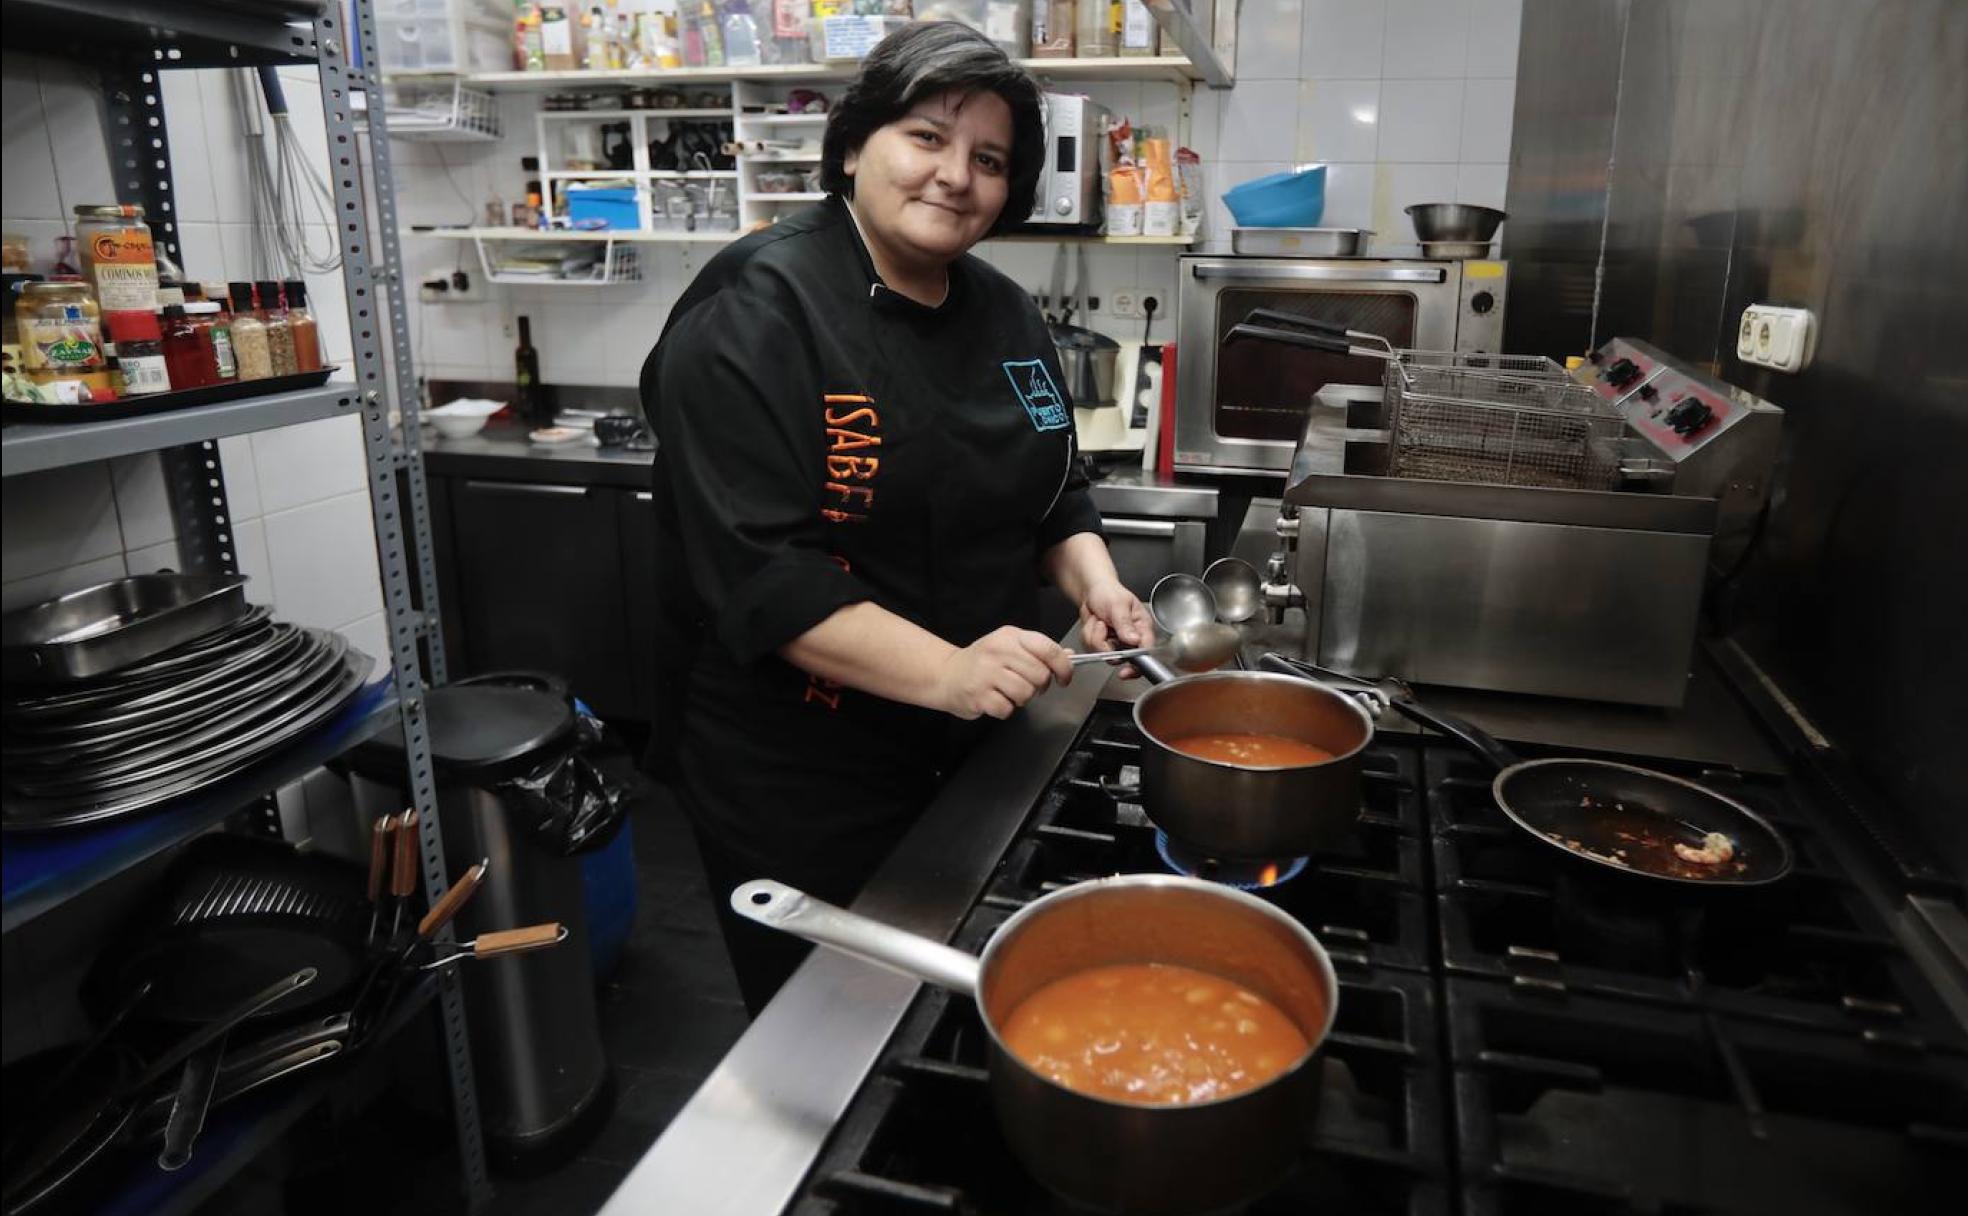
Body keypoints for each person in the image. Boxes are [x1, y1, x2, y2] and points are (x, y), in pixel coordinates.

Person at [638, 21, 1152, 1015]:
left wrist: (1097, 584)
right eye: (927, 137)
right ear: (852, 146)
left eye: (990, 159)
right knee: (834, 1036)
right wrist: (951, 671)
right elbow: (764, 578)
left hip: (971, 747)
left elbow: (1056, 492)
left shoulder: (1005, 313)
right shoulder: (756, 306)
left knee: (951, 1018)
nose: (956, 176)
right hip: (803, 776)